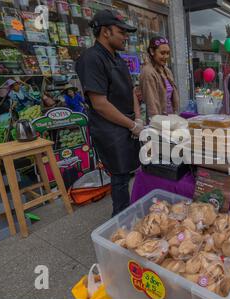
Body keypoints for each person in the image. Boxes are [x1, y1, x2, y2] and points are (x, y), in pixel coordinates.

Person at [75, 9, 143, 217]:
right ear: (105, 32)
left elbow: (131, 90)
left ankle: (130, 214)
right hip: (110, 129)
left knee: (133, 172)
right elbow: (100, 103)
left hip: (128, 124)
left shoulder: (118, 58)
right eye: (121, 32)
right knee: (120, 178)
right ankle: (121, 223)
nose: (125, 37)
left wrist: (138, 118)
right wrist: (131, 125)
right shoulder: (91, 59)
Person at [140, 36, 180, 119]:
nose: (166, 57)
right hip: (158, 121)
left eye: (168, 53)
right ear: (152, 51)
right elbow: (151, 103)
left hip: (170, 117)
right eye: (162, 53)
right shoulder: (148, 72)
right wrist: (158, 123)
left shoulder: (167, 71)